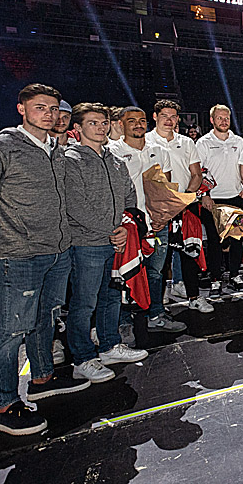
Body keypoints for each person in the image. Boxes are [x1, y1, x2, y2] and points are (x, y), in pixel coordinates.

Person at [0, 83, 90, 436]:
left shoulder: (55, 149)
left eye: (52, 109)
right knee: (12, 329)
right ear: (22, 109)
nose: (48, 114)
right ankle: (5, 405)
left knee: (46, 320)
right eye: (40, 108)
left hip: (57, 253)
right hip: (17, 255)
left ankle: (42, 379)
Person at [64, 103, 146, 384]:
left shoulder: (114, 159)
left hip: (116, 240)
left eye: (103, 123)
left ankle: (110, 346)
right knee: (84, 302)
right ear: (78, 128)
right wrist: (112, 229)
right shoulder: (70, 160)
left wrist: (124, 226)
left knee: (112, 297)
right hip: (87, 243)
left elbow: (129, 196)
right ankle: (83, 358)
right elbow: (75, 206)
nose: (100, 128)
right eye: (93, 123)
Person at [108, 107, 186, 333]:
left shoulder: (159, 150)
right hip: (126, 226)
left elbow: (166, 188)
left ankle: (156, 314)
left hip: (155, 224)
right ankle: (123, 322)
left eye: (141, 121)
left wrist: (163, 217)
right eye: (131, 121)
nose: (138, 125)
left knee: (155, 273)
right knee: (125, 274)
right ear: (121, 124)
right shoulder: (112, 151)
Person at [146, 100, 209, 313]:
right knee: (159, 259)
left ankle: (194, 297)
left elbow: (197, 174)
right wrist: (165, 205)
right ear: (154, 116)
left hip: (185, 206)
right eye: (164, 115)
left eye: (173, 116)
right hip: (158, 211)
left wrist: (186, 198)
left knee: (190, 254)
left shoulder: (187, 142)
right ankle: (158, 301)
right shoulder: (145, 141)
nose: (169, 120)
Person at [195, 104, 243, 298]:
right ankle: (216, 280)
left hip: (236, 198)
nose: (223, 121)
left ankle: (235, 276)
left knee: (237, 240)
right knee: (215, 242)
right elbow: (198, 171)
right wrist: (205, 195)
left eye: (226, 118)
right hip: (214, 200)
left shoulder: (239, 141)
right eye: (219, 118)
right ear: (212, 120)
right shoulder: (203, 143)